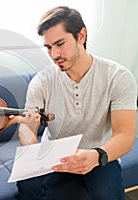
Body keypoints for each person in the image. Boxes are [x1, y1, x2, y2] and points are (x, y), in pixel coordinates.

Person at [17, 6, 137, 200]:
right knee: (29, 186)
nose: (54, 54)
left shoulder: (118, 77)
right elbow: (27, 127)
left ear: (81, 36)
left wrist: (97, 156)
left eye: (60, 44)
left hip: (100, 154)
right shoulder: (41, 82)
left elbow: (125, 135)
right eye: (48, 47)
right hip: (55, 155)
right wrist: (34, 152)